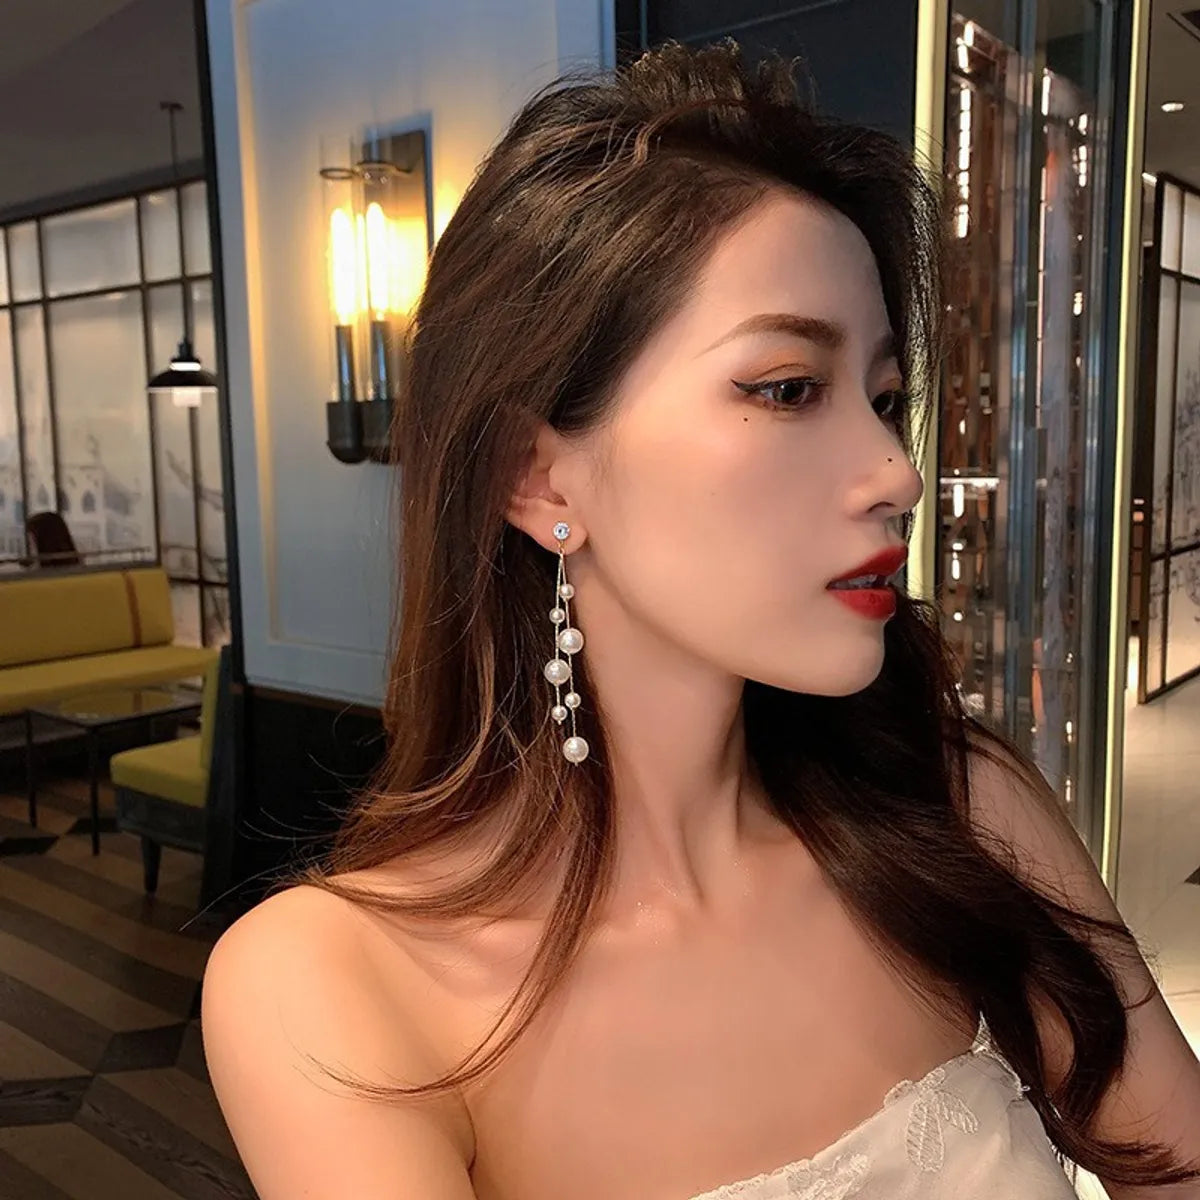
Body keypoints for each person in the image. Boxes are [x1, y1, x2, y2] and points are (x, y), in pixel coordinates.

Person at [199, 40, 1200, 1199]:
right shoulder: (336, 987)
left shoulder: (963, 812)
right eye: (787, 388)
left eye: (884, 399)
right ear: (537, 475)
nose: (897, 473)